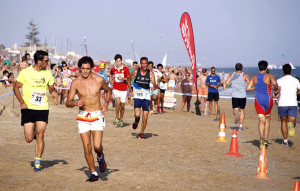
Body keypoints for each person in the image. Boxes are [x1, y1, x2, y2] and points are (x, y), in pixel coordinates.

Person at [66, 56, 112, 182]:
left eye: (87, 69)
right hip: (83, 116)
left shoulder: (99, 79)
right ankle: (93, 173)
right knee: (87, 147)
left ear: (91, 68)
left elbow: (108, 91)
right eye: (83, 69)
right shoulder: (76, 82)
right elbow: (67, 102)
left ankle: (100, 156)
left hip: (97, 114)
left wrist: (106, 103)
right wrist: (76, 103)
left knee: (97, 146)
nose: (85, 71)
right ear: (79, 69)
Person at [13, 50, 57, 171]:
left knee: (40, 134)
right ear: (39, 61)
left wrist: (53, 93)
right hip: (28, 108)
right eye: (46, 61)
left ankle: (38, 162)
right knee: (28, 139)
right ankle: (34, 131)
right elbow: (15, 87)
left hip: (42, 108)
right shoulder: (25, 73)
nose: (48, 63)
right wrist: (22, 102)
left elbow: (51, 88)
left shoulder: (48, 73)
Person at [246, 60, 278, 148]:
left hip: (258, 100)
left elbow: (248, 88)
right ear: (267, 67)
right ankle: (266, 139)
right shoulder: (269, 76)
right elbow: (275, 84)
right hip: (268, 100)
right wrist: (275, 87)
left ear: (258, 67)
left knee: (261, 120)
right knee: (267, 119)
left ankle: (261, 138)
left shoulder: (254, 77)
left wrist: (256, 87)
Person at [128, 57, 156, 139]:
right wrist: (130, 90)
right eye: (142, 63)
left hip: (146, 97)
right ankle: (136, 121)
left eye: (145, 63)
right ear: (140, 64)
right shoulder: (136, 72)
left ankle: (142, 132)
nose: (144, 65)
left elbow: (154, 84)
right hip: (137, 96)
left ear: (147, 64)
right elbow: (128, 80)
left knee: (145, 116)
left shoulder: (150, 73)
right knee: (137, 115)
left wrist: (154, 86)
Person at [276, 64, 300, 146]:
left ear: (283, 71)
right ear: (291, 71)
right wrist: (296, 93)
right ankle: (291, 124)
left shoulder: (279, 80)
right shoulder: (295, 80)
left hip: (282, 103)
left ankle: (285, 141)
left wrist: (276, 93)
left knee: (283, 122)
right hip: (293, 103)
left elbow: (277, 90)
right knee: (292, 120)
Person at [224, 63, 250, 130]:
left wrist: (232, 83)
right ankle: (240, 126)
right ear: (242, 68)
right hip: (242, 96)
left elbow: (226, 83)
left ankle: (236, 115)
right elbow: (249, 84)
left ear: (235, 68)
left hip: (234, 96)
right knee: (242, 111)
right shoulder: (245, 75)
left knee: (235, 109)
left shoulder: (231, 74)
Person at [110, 54, 130, 127]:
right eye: (116, 61)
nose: (118, 63)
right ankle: (116, 117)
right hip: (116, 89)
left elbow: (129, 78)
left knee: (122, 106)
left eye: (119, 61)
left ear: (121, 61)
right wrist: (111, 83)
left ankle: (121, 119)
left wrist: (123, 78)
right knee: (117, 102)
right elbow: (111, 76)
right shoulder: (113, 69)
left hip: (124, 89)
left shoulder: (125, 69)